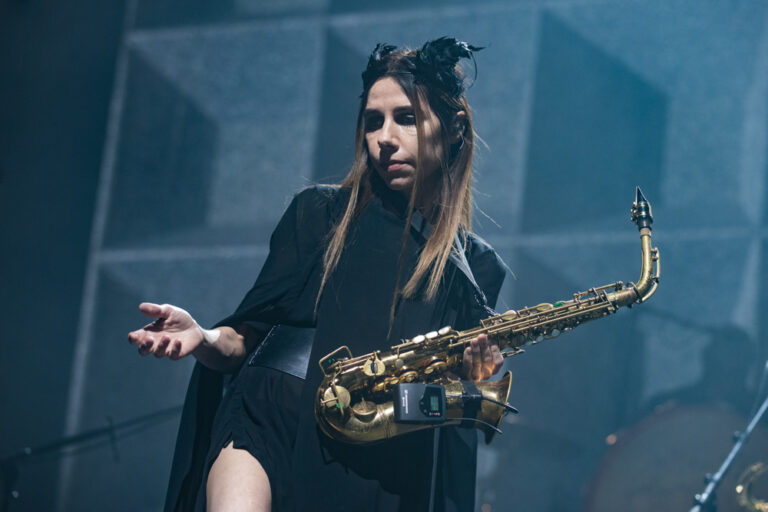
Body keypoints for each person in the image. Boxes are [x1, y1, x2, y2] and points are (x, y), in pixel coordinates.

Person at [128, 37, 508, 512]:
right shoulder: (319, 213)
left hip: (373, 466)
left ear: (454, 129)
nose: (385, 138)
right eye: (373, 121)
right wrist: (202, 337)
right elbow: (246, 338)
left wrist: (470, 379)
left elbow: (439, 408)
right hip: (267, 419)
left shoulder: (475, 267)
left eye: (406, 118)